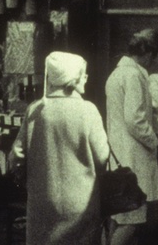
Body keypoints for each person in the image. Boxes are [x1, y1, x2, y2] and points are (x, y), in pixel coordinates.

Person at [10, 51, 109, 245]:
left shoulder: (35, 109)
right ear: (72, 79)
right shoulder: (88, 111)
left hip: (42, 204)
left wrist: (26, 174)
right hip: (80, 207)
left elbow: (16, 157)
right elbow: (103, 158)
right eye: (84, 74)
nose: (86, 78)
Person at [105, 29, 158, 245]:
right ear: (149, 54)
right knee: (134, 218)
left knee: (119, 217)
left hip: (119, 156)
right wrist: (154, 141)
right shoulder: (133, 75)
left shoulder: (117, 74)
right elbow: (134, 119)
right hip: (134, 158)